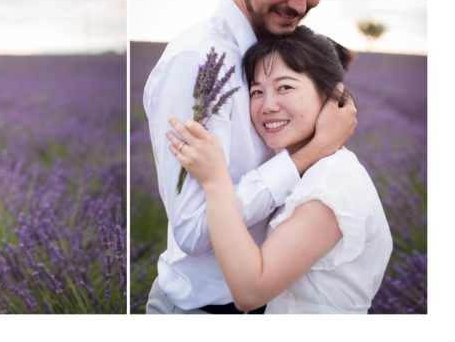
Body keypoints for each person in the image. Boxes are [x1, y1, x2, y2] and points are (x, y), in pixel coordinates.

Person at [142, 0, 358, 314]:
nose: (299, 4)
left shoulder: (279, 54)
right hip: (203, 310)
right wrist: (309, 155)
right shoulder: (199, 62)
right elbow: (193, 229)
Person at [168, 26, 392, 313]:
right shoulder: (296, 167)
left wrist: (215, 181)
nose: (267, 106)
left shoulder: (332, 182)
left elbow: (250, 291)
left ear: (330, 94)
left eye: (285, 87)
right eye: (257, 91)